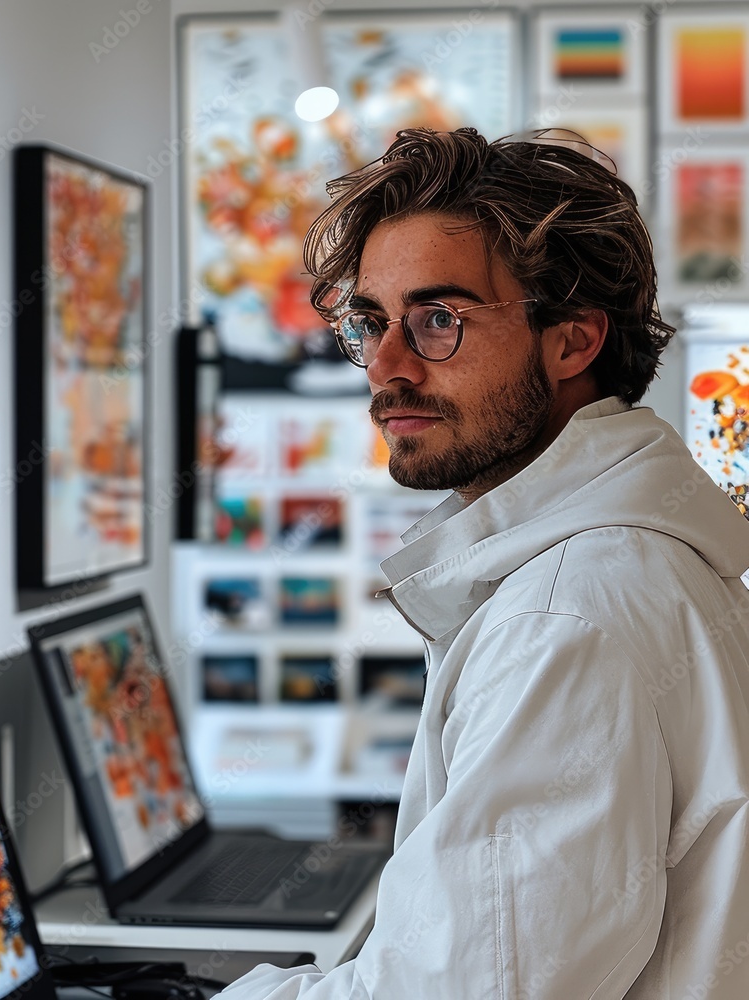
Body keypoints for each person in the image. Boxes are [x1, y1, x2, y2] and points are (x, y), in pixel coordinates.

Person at [219, 128, 749, 998]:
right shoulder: (621, 563)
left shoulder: (567, 618)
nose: (386, 368)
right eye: (369, 322)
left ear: (572, 342)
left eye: (437, 321)